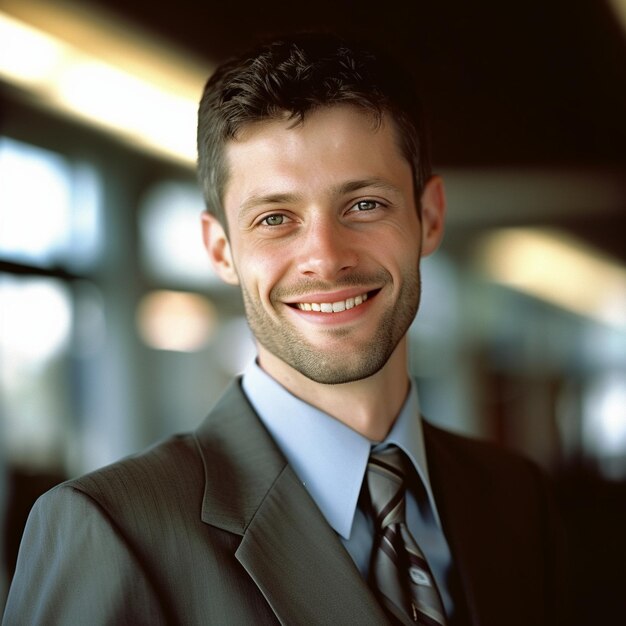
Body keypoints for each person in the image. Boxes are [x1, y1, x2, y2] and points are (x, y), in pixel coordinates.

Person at [3, 33, 563, 626]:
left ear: (429, 217)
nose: (325, 257)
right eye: (275, 218)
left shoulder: (514, 496)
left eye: (365, 205)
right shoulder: (114, 530)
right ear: (221, 250)